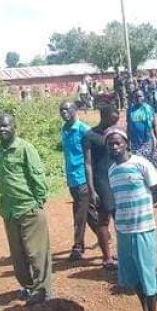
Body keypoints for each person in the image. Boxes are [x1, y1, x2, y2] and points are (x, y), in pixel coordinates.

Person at [105, 128, 157, 311]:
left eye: (118, 142)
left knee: (147, 275)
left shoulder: (141, 164)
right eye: (110, 144)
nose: (114, 146)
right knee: (134, 276)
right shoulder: (112, 171)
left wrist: (142, 212)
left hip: (143, 228)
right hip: (123, 229)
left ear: (126, 144)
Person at [0, 114, 53, 305]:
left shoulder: (25, 148)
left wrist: (38, 201)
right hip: (9, 211)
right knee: (18, 257)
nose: (2, 129)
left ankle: (42, 290)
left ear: (14, 127)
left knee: (36, 253)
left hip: (29, 208)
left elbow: (37, 176)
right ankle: (28, 287)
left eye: (6, 126)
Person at [58, 102, 99, 261]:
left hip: (83, 178)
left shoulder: (84, 130)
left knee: (79, 213)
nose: (63, 112)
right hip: (72, 177)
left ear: (75, 110)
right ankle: (103, 233)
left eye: (67, 109)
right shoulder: (65, 130)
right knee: (87, 211)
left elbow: (94, 154)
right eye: (61, 110)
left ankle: (78, 246)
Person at [84, 104, 119, 269]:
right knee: (103, 219)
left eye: (116, 119)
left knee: (122, 218)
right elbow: (88, 163)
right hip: (101, 181)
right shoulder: (90, 136)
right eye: (112, 119)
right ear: (103, 116)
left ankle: (123, 252)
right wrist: (91, 189)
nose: (114, 122)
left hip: (119, 179)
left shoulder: (117, 134)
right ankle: (107, 257)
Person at [126, 89, 157, 167]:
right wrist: (127, 141)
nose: (138, 98)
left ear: (143, 97)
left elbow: (154, 125)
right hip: (135, 143)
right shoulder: (130, 110)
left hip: (147, 142)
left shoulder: (149, 109)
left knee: (149, 165)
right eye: (136, 97)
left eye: (140, 96)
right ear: (133, 98)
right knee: (138, 165)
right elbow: (128, 126)